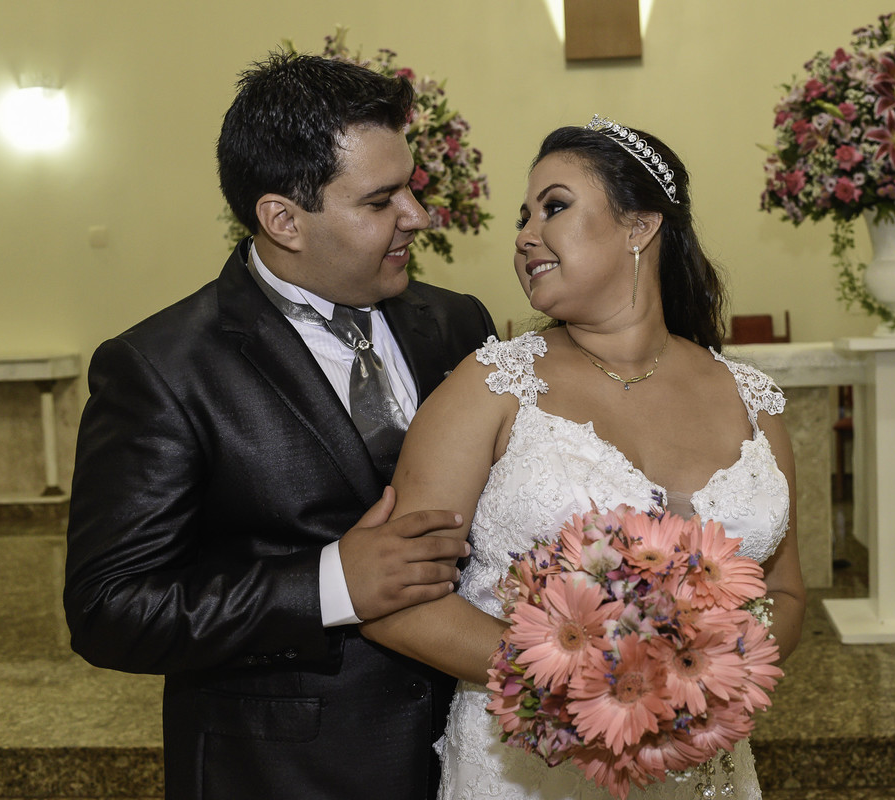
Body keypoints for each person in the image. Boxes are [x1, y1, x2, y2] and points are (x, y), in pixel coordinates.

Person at [63, 52, 495, 800]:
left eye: (412, 188)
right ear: (283, 220)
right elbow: (111, 610)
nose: (417, 216)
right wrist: (330, 585)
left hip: (473, 751)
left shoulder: (457, 323)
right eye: (380, 201)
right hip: (285, 772)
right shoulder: (162, 368)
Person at [358, 118, 807, 799]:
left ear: (640, 226)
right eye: (524, 217)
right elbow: (394, 600)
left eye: (555, 207)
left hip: (700, 768)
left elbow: (786, 593)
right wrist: (580, 681)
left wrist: (714, 677)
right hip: (529, 770)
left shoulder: (751, 400)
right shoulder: (492, 388)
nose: (524, 235)